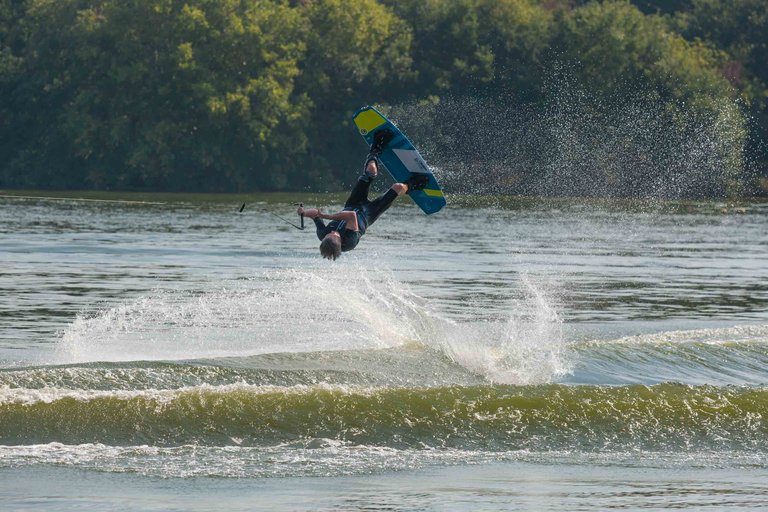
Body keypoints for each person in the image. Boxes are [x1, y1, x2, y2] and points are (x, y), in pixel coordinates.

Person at [297, 129, 428, 260]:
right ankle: (413, 184)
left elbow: (315, 215)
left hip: (353, 203)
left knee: (370, 171)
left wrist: (303, 213)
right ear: (339, 241)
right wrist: (326, 215)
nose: (330, 231)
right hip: (369, 214)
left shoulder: (322, 235)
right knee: (398, 187)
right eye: (334, 234)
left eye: (327, 235)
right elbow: (351, 216)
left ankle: (376, 148)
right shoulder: (349, 242)